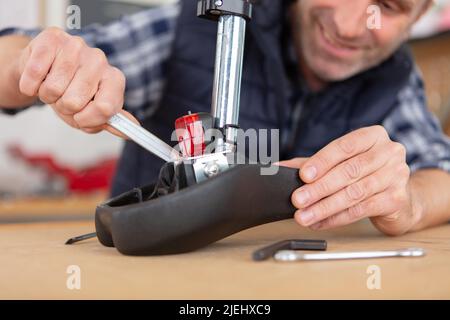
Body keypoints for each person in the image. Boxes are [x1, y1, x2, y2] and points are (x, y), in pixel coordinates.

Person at [0, 0, 449, 236]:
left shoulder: (395, 76)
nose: (351, 25)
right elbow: (11, 60)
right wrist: (35, 63)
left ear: (419, 17)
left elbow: (442, 175)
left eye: (388, 5)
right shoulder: (183, 30)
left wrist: (409, 201)